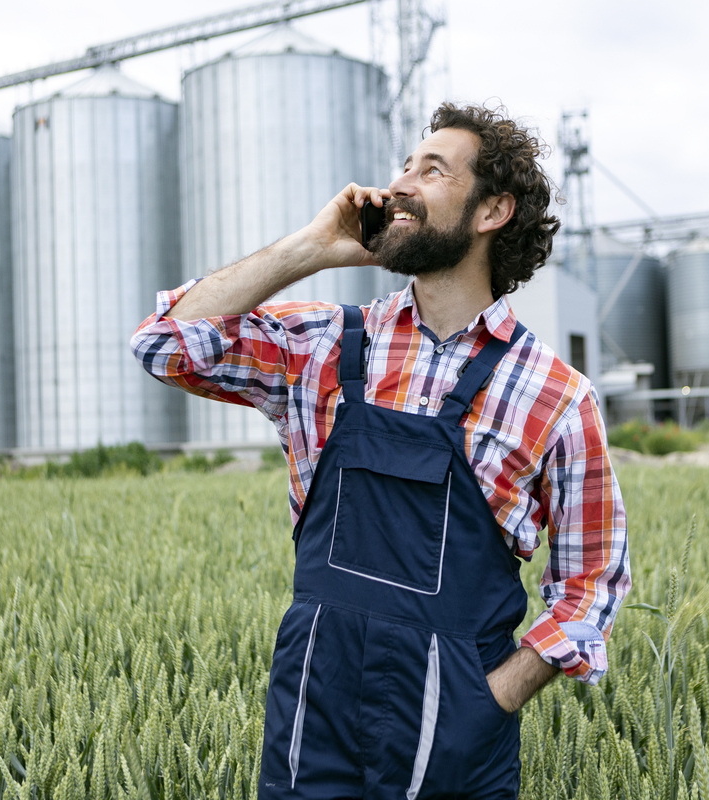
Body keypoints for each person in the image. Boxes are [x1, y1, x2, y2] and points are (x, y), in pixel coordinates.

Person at [130, 102, 629, 799]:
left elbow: (590, 587)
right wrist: (312, 247)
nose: (401, 184)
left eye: (432, 170)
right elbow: (162, 343)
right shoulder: (325, 347)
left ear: (492, 211)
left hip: (453, 730)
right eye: (403, 166)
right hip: (314, 709)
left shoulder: (555, 397)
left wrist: (490, 700)